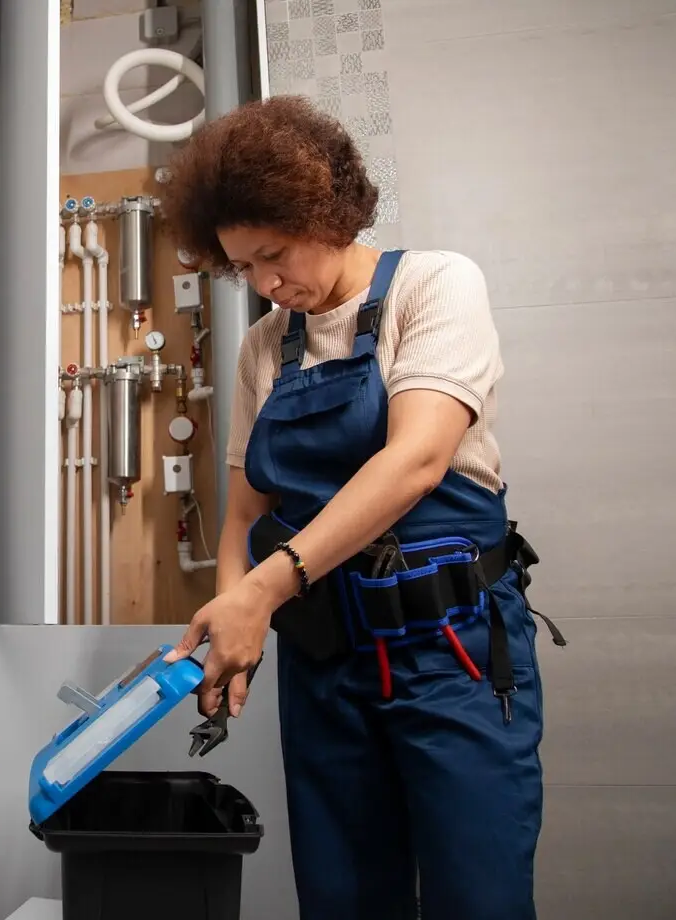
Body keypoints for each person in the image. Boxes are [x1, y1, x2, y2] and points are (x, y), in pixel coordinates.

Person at [159, 96, 564, 919]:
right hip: (327, 669)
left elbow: (415, 461)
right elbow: (242, 516)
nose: (267, 285)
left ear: (323, 207)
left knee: (476, 899)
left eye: (274, 255)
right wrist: (233, 624)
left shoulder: (435, 283)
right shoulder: (265, 345)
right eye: (244, 269)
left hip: (450, 656)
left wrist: (262, 591)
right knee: (345, 902)